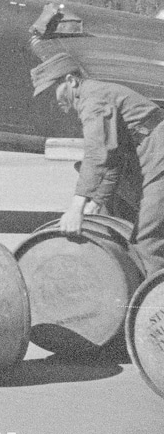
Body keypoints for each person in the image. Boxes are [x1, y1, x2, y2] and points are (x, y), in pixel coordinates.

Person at [30, 51, 164, 275]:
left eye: (53, 91)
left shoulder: (92, 101)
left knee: (147, 239)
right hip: (152, 153)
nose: (53, 100)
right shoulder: (94, 94)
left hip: (158, 155)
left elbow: (97, 156)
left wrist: (76, 208)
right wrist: (95, 203)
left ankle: (152, 306)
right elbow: (112, 160)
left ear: (71, 81)